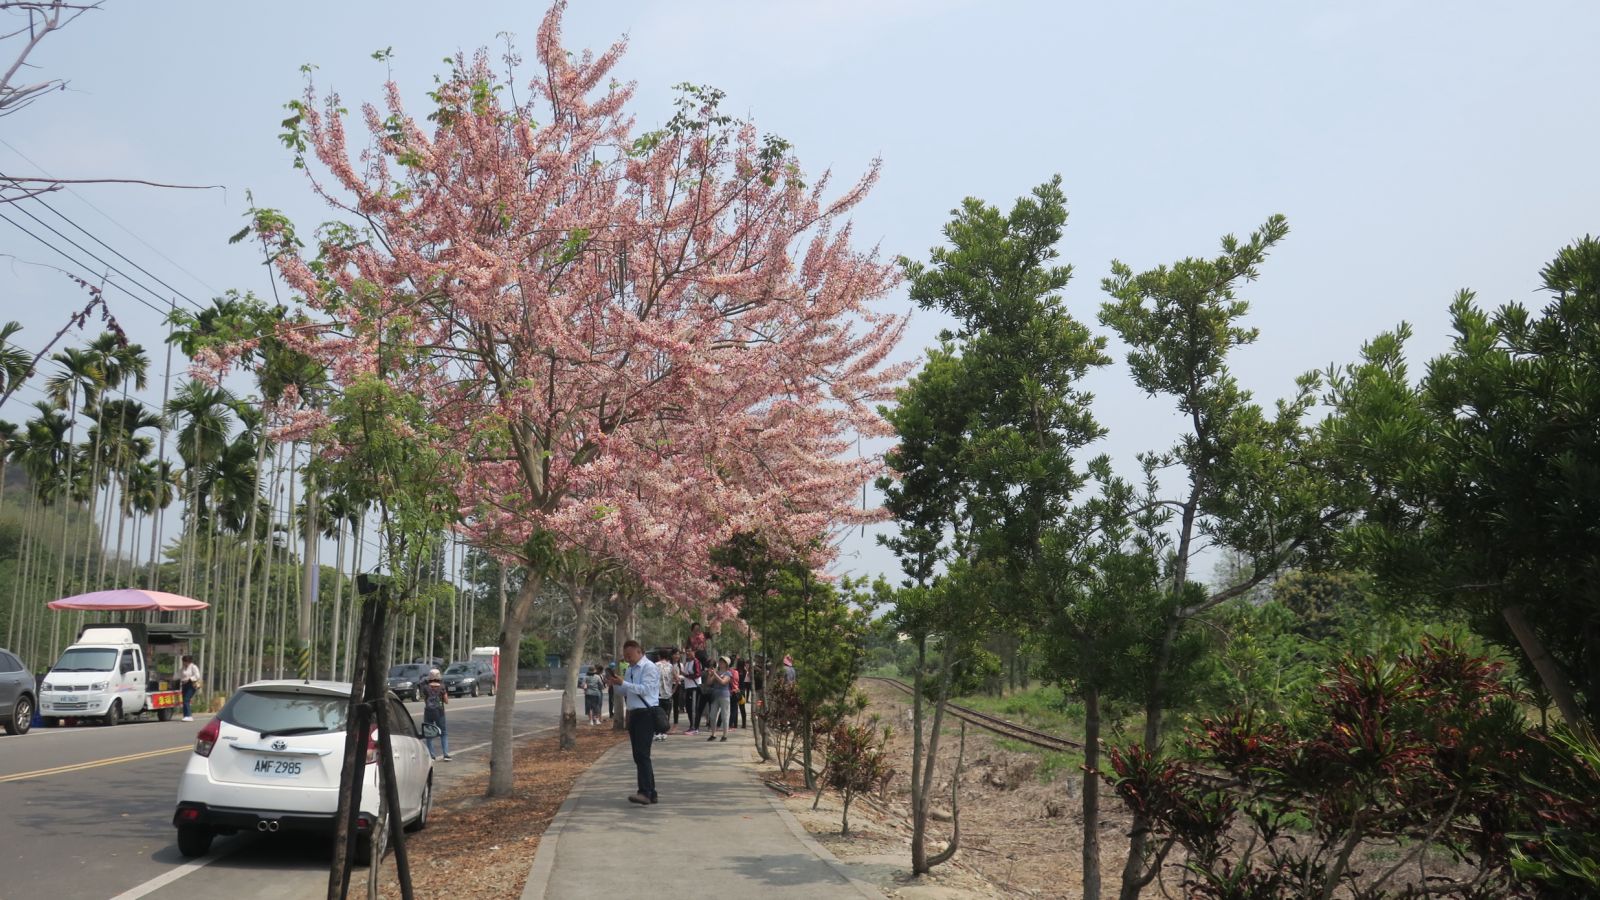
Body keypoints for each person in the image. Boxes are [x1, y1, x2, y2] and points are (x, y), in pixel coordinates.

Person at [607, 639, 659, 805]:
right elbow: (626, 691)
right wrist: (616, 684)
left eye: (629, 655)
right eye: (625, 656)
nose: (627, 659)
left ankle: (645, 792)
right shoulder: (630, 669)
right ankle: (651, 792)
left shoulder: (649, 667)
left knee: (642, 754)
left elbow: (646, 690)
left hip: (646, 714)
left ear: (638, 651)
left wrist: (625, 683)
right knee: (639, 755)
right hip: (634, 713)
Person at [422, 668, 451, 761]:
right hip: (439, 712)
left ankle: (432, 755)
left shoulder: (426, 687)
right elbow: (446, 701)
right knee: (443, 733)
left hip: (428, 712)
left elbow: (425, 700)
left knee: (429, 734)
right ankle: (446, 754)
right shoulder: (442, 687)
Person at [703, 655, 733, 742]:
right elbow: (708, 683)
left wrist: (715, 674)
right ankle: (713, 734)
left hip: (724, 696)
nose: (720, 663)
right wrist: (710, 674)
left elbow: (723, 682)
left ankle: (725, 735)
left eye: (722, 662)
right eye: (720, 661)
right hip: (715, 696)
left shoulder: (728, 673)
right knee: (712, 716)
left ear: (726, 664)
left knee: (725, 716)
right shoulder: (717, 672)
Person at [678, 647, 702, 735]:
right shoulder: (687, 662)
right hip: (688, 688)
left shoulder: (696, 662)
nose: (687, 653)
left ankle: (695, 728)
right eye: (686, 651)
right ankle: (691, 726)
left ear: (694, 652)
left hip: (694, 688)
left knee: (693, 708)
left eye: (689, 651)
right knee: (688, 707)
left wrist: (686, 675)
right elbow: (685, 675)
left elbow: (698, 674)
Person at [654, 650, 676, 741]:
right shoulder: (671, 666)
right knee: (666, 714)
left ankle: (657, 733)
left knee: (657, 715)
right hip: (668, 694)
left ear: (659, 656)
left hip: (657, 694)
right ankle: (664, 733)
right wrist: (673, 690)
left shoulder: (655, 665)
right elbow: (677, 679)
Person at [178, 654, 201, 722]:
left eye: (184, 661)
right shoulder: (183, 668)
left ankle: (189, 716)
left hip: (191, 684)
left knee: (186, 699)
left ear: (188, 661)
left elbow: (197, 675)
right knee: (184, 700)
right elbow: (179, 674)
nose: (183, 663)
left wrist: (190, 679)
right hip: (184, 684)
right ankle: (185, 716)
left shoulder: (193, 667)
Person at [728, 655, 744, 729]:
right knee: (741, 708)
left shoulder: (734, 671)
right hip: (740, 691)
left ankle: (734, 724)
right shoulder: (744, 671)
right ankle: (742, 724)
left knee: (734, 708)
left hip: (734, 691)